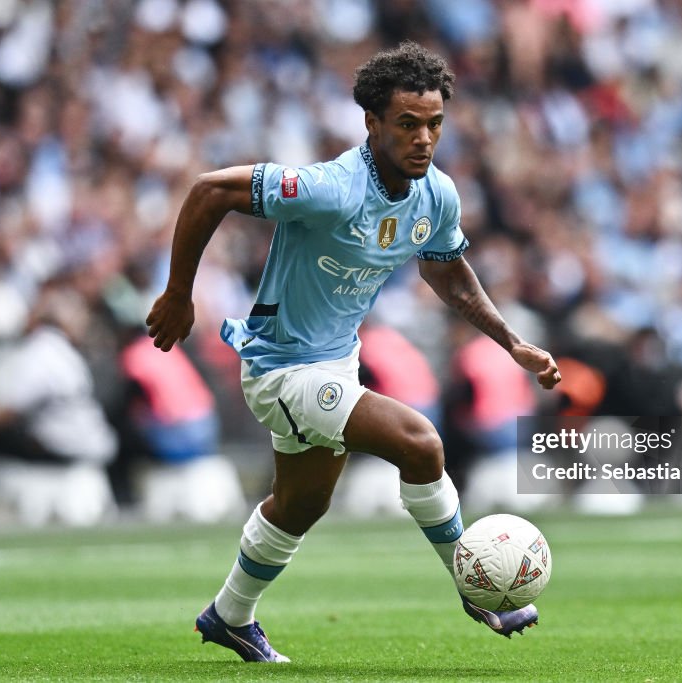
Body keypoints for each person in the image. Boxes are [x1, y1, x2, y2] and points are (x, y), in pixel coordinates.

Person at [146, 41, 561, 663]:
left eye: (434, 124)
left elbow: (446, 273)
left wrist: (512, 342)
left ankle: (228, 616)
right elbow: (210, 191)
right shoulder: (329, 187)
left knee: (301, 503)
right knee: (420, 442)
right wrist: (180, 294)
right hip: (280, 368)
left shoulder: (436, 195)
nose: (424, 139)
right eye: (408, 124)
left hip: (334, 361)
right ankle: (475, 585)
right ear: (372, 122)